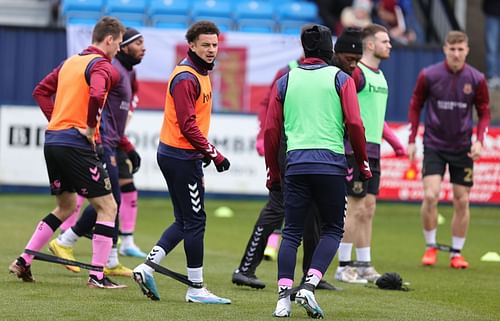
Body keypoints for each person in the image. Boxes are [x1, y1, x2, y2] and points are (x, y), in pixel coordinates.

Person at [231, 28, 365, 292]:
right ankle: (246, 267)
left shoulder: (344, 75)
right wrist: (264, 140)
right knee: (278, 208)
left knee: (314, 214)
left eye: (356, 60)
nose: (353, 64)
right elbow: (268, 107)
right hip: (289, 145)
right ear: (332, 53)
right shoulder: (290, 72)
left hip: (307, 150)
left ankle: (310, 275)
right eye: (349, 58)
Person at [9, 16, 126, 289]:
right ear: (108, 39)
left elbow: (40, 91)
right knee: (108, 207)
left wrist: (57, 120)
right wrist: (88, 128)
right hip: (76, 143)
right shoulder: (101, 65)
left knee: (66, 206)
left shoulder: (71, 61)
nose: (119, 48)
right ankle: (97, 277)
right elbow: (97, 95)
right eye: (119, 43)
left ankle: (24, 260)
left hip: (54, 141)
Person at [265, 24, 371, 318]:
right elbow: (355, 123)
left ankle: (283, 299)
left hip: (296, 164)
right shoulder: (341, 79)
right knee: (333, 229)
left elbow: (271, 130)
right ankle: (309, 286)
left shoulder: (285, 81)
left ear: (304, 48)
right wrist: (362, 161)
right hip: (330, 164)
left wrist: (273, 170)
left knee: (291, 233)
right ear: (329, 49)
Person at [132, 21, 231, 304]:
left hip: (180, 154)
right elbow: (188, 125)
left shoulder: (199, 72)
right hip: (181, 156)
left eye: (214, 44)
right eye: (205, 45)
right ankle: (196, 288)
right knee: (196, 221)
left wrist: (203, 153)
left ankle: (146, 267)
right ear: (192, 45)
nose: (212, 50)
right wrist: (214, 154)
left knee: (185, 220)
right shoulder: (187, 77)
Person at [47, 27, 146, 277]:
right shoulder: (111, 70)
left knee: (112, 199)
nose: (144, 48)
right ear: (119, 45)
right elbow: (98, 102)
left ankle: (108, 259)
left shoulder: (126, 73)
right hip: (102, 143)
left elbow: (115, 114)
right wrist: (91, 131)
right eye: (137, 43)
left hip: (113, 142)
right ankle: (68, 242)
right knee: (107, 202)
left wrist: (126, 145)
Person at [407, 30, 490, 269]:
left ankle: (456, 252)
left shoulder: (476, 78)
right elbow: (415, 106)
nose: (456, 53)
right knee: (431, 195)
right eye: (451, 49)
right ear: (445, 49)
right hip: (434, 143)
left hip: (463, 147)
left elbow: (484, 112)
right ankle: (430, 247)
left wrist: (480, 140)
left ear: (467, 50)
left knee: (462, 200)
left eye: (460, 49)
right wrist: (412, 139)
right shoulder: (429, 75)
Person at [335, 24, 406, 284]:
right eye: (385, 41)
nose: (390, 45)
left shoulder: (380, 75)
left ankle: (364, 264)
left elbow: (378, 117)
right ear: (370, 44)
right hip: (355, 149)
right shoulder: (357, 74)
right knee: (354, 207)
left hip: (373, 150)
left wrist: (395, 142)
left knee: (368, 207)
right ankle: (344, 266)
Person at [482, 0, 500, 89]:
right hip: (492, 12)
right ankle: (492, 76)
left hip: (491, 11)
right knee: (491, 47)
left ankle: (497, 76)